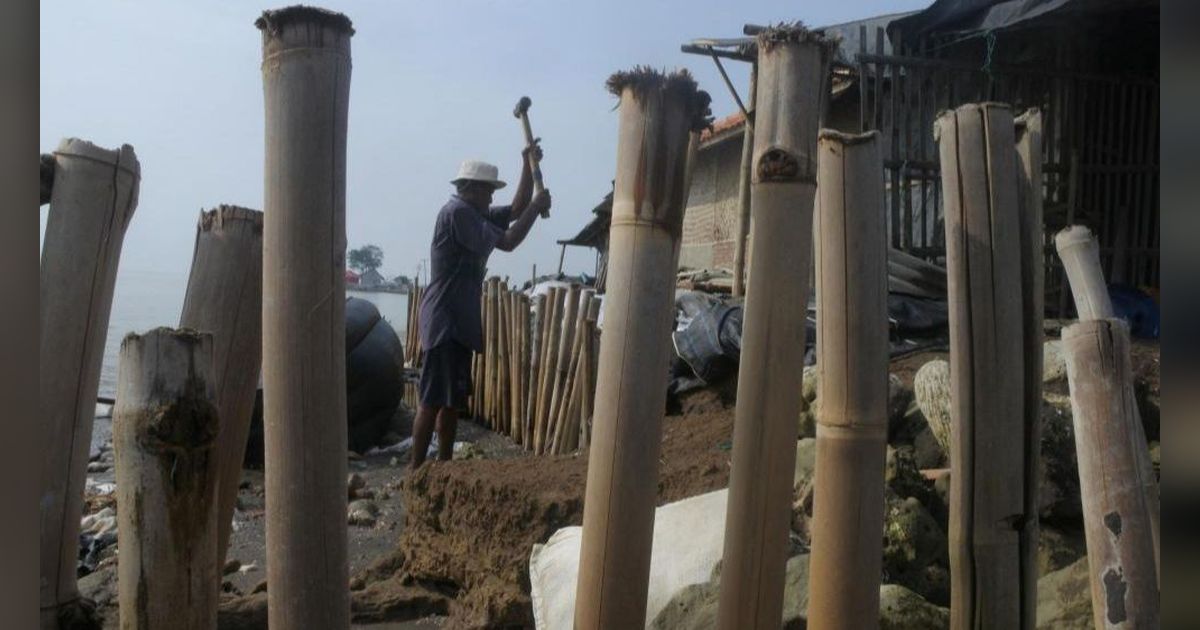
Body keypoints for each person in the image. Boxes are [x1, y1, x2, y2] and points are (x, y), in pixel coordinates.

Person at [411, 144, 550, 469]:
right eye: (488, 192)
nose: (491, 199)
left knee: (451, 402)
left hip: (458, 321)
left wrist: (527, 167)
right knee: (432, 400)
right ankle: (415, 471)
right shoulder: (458, 213)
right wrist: (537, 206)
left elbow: (515, 208)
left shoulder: (472, 212)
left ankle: (444, 467)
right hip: (445, 319)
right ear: (471, 189)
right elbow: (510, 240)